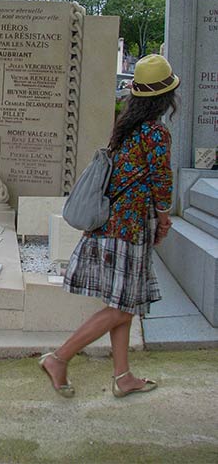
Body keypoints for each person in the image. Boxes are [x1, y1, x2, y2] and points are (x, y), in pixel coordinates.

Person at [40, 54, 179, 398]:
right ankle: (58, 358)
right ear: (165, 97)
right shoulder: (157, 132)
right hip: (129, 230)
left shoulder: (126, 129)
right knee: (120, 306)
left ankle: (123, 376)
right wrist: (164, 218)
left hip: (109, 226)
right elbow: (162, 180)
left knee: (125, 305)